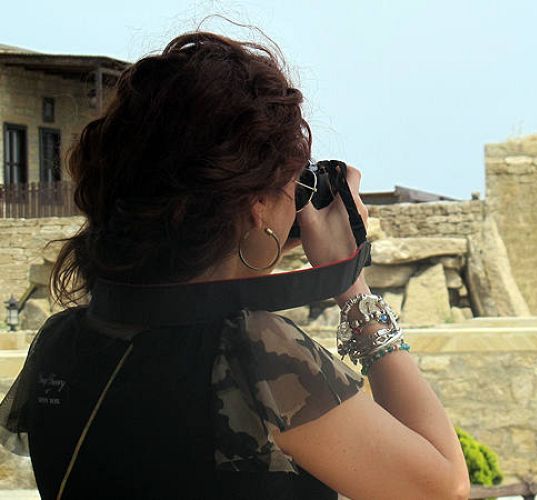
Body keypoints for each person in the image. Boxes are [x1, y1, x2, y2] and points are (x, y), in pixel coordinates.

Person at [0, 31, 470, 500]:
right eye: (295, 185)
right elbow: (442, 488)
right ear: (257, 207)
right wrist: (352, 285)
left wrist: (251, 247)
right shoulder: (254, 352)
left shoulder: (62, 342)